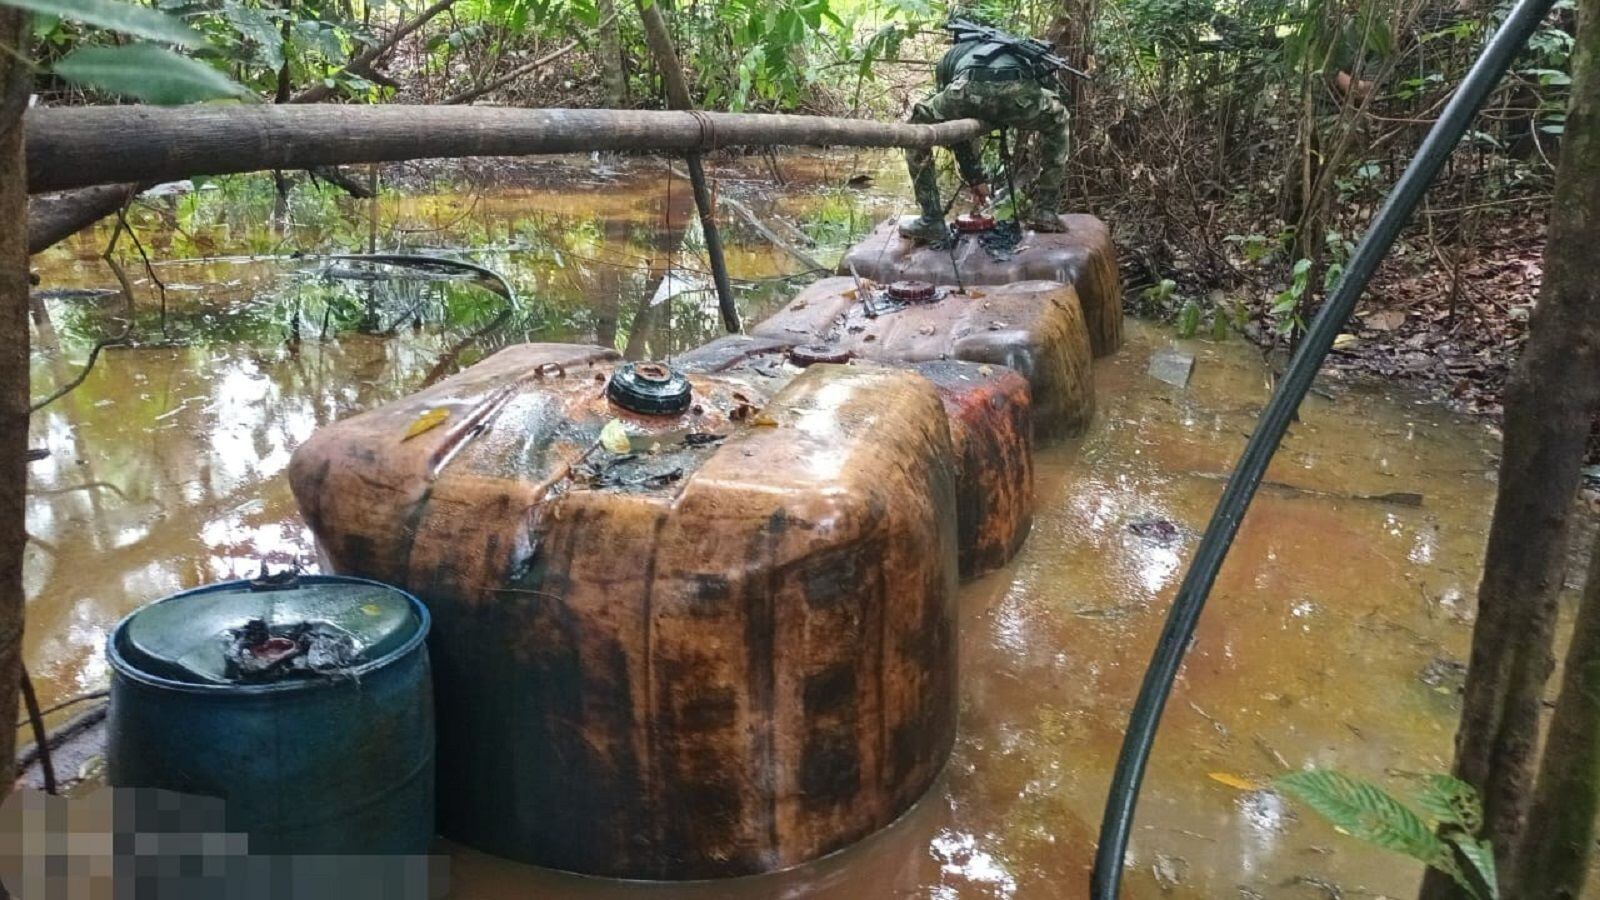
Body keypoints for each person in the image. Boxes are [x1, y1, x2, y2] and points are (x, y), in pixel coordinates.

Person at [901, 25, 1072, 242]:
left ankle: (931, 219)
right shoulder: (1015, 49)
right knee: (1059, 119)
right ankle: (1045, 211)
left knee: (915, 129)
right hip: (1018, 94)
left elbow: (955, 129)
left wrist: (974, 177)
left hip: (968, 91)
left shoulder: (952, 56)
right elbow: (1040, 87)